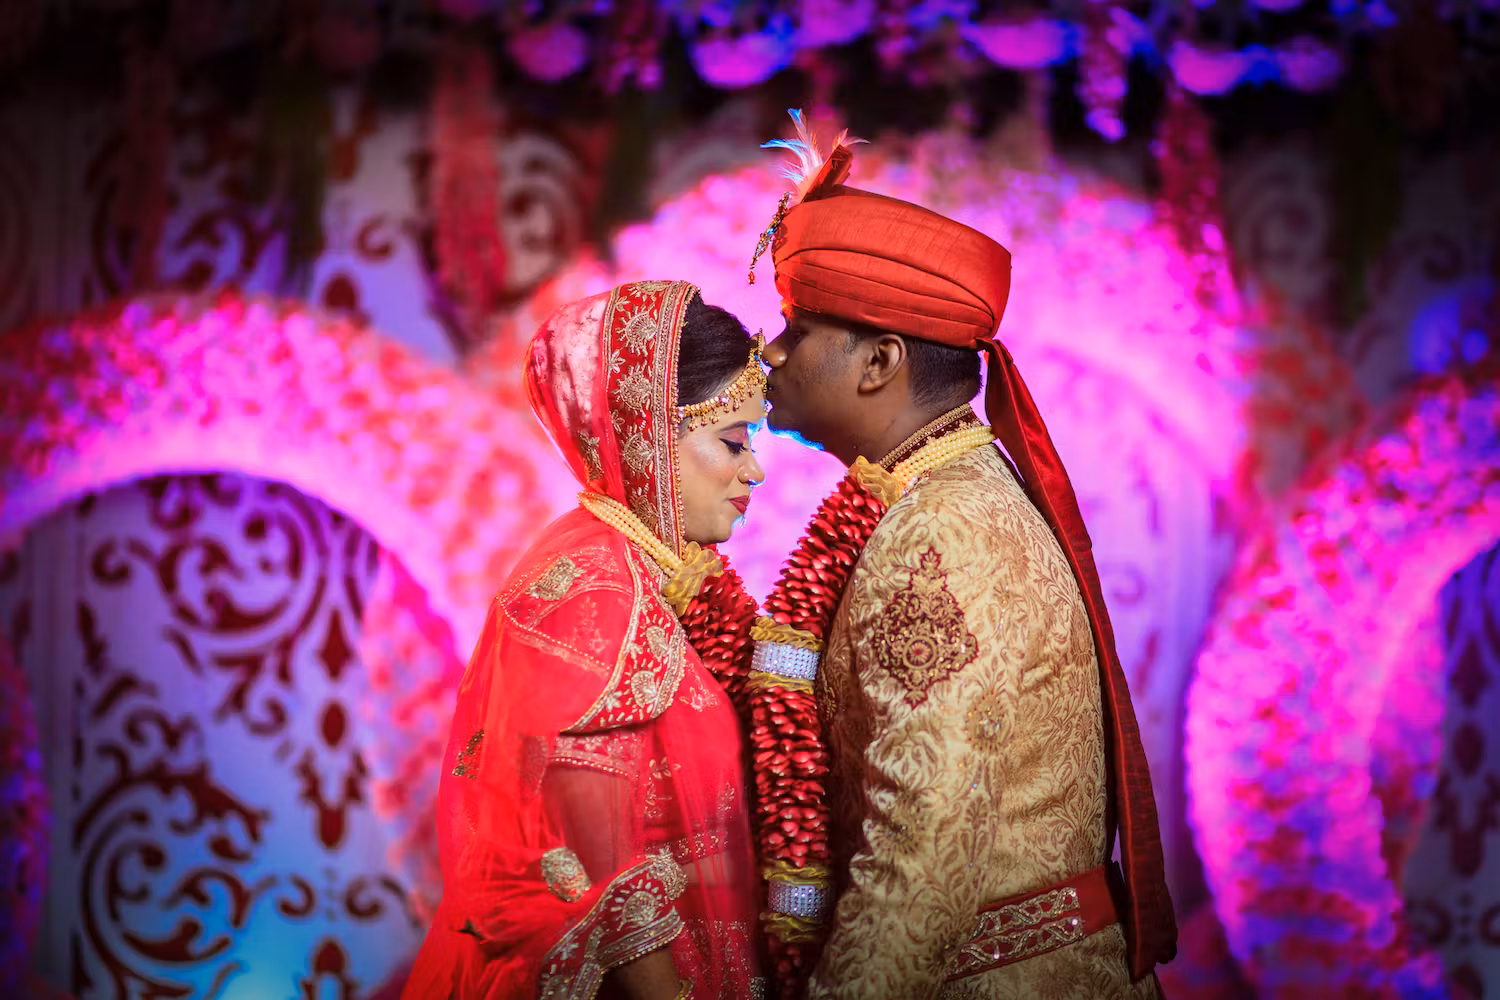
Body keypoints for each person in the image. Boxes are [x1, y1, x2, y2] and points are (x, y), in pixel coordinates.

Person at [747, 116, 1177, 997]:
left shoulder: (936, 533)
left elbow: (921, 856)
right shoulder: (948, 495)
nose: (770, 351)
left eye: (798, 327)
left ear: (881, 362)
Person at [402, 280, 768, 1000]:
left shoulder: (642, 573)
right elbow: (604, 886)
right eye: (732, 440)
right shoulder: (593, 592)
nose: (753, 468)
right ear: (648, 436)